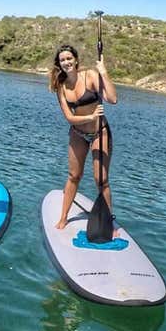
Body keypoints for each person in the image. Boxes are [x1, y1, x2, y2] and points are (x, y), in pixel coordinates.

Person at [48, 44, 118, 230]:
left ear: (76, 59)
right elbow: (69, 117)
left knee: (101, 179)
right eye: (62, 60)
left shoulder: (90, 76)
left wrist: (103, 72)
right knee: (73, 175)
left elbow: (112, 99)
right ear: (59, 63)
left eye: (69, 58)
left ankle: (109, 224)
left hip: (99, 132)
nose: (66, 62)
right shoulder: (61, 87)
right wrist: (90, 116)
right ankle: (63, 217)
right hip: (78, 133)